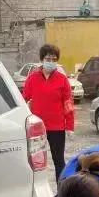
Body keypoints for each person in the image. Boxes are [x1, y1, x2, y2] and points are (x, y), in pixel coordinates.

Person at [23, 44, 75, 180]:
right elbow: (23, 100)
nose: (51, 62)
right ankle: (37, 191)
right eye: (48, 59)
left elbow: (68, 103)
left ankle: (62, 192)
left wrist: (69, 126)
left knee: (59, 162)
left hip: (57, 127)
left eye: (54, 59)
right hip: (37, 128)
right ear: (42, 59)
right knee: (35, 162)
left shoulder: (62, 79)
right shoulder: (32, 78)